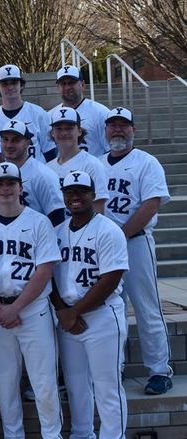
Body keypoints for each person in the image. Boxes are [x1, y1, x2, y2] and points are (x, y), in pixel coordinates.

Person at [0, 162, 63, 439]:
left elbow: (44, 271)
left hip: (32, 309)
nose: (6, 189)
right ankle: (13, 435)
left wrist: (15, 307)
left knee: (44, 381)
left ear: (21, 188)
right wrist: (0, 308)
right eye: (0, 184)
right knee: (5, 382)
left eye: (11, 183)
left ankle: (52, 435)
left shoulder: (39, 221)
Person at [51, 171, 129, 438]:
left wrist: (74, 312)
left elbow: (111, 278)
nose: (75, 196)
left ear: (93, 195)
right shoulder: (57, 232)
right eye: (70, 191)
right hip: (68, 317)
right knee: (75, 385)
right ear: (63, 196)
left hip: (102, 316)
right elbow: (49, 276)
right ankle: (82, 434)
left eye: (82, 191)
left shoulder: (109, 230)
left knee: (107, 387)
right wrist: (63, 310)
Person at [101, 107, 173, 394]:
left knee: (146, 308)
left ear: (134, 130)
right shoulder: (96, 163)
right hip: (105, 249)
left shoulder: (147, 162)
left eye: (123, 125)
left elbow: (150, 205)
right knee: (108, 311)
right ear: (105, 131)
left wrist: (119, 234)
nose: (118, 130)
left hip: (135, 242)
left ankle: (159, 370)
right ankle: (112, 369)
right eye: (113, 126)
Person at [0, 119, 64, 226]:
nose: (9, 145)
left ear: (28, 143)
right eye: (5, 139)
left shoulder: (43, 174)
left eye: (15, 140)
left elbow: (57, 217)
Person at [46, 107, 109, 214]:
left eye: (69, 128)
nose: (64, 133)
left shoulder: (92, 164)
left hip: (84, 229)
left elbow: (98, 210)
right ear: (52, 133)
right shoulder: (48, 168)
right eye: (59, 128)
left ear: (79, 131)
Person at [0, 64, 56, 162]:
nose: (10, 87)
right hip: (6, 176)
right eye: (5, 84)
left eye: (14, 83)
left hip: (36, 175)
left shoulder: (38, 114)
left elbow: (50, 152)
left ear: (21, 85)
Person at [49, 65, 110, 157]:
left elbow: (110, 150)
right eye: (63, 84)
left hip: (91, 170)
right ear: (58, 87)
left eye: (71, 83)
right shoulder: (50, 115)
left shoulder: (100, 113)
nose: (67, 87)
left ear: (82, 85)